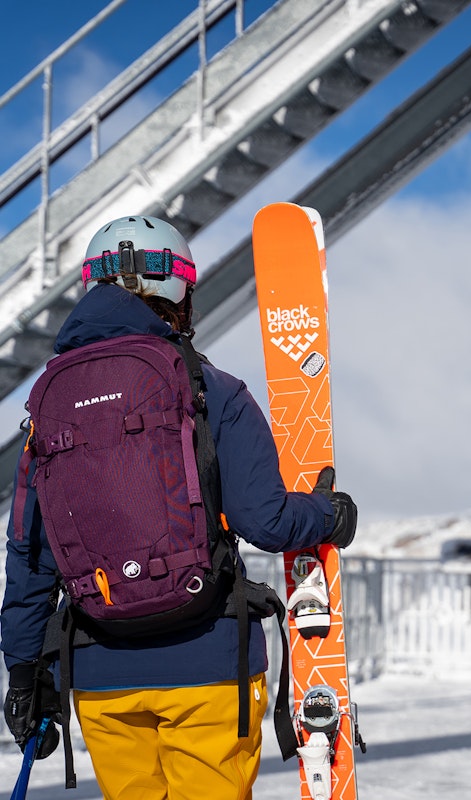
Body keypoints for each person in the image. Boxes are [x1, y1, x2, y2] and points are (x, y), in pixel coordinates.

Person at [1, 215, 357, 800]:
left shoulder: (50, 404)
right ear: (179, 291)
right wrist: (328, 515)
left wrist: (23, 671)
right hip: (208, 663)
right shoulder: (210, 389)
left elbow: (31, 552)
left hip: (100, 673)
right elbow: (262, 519)